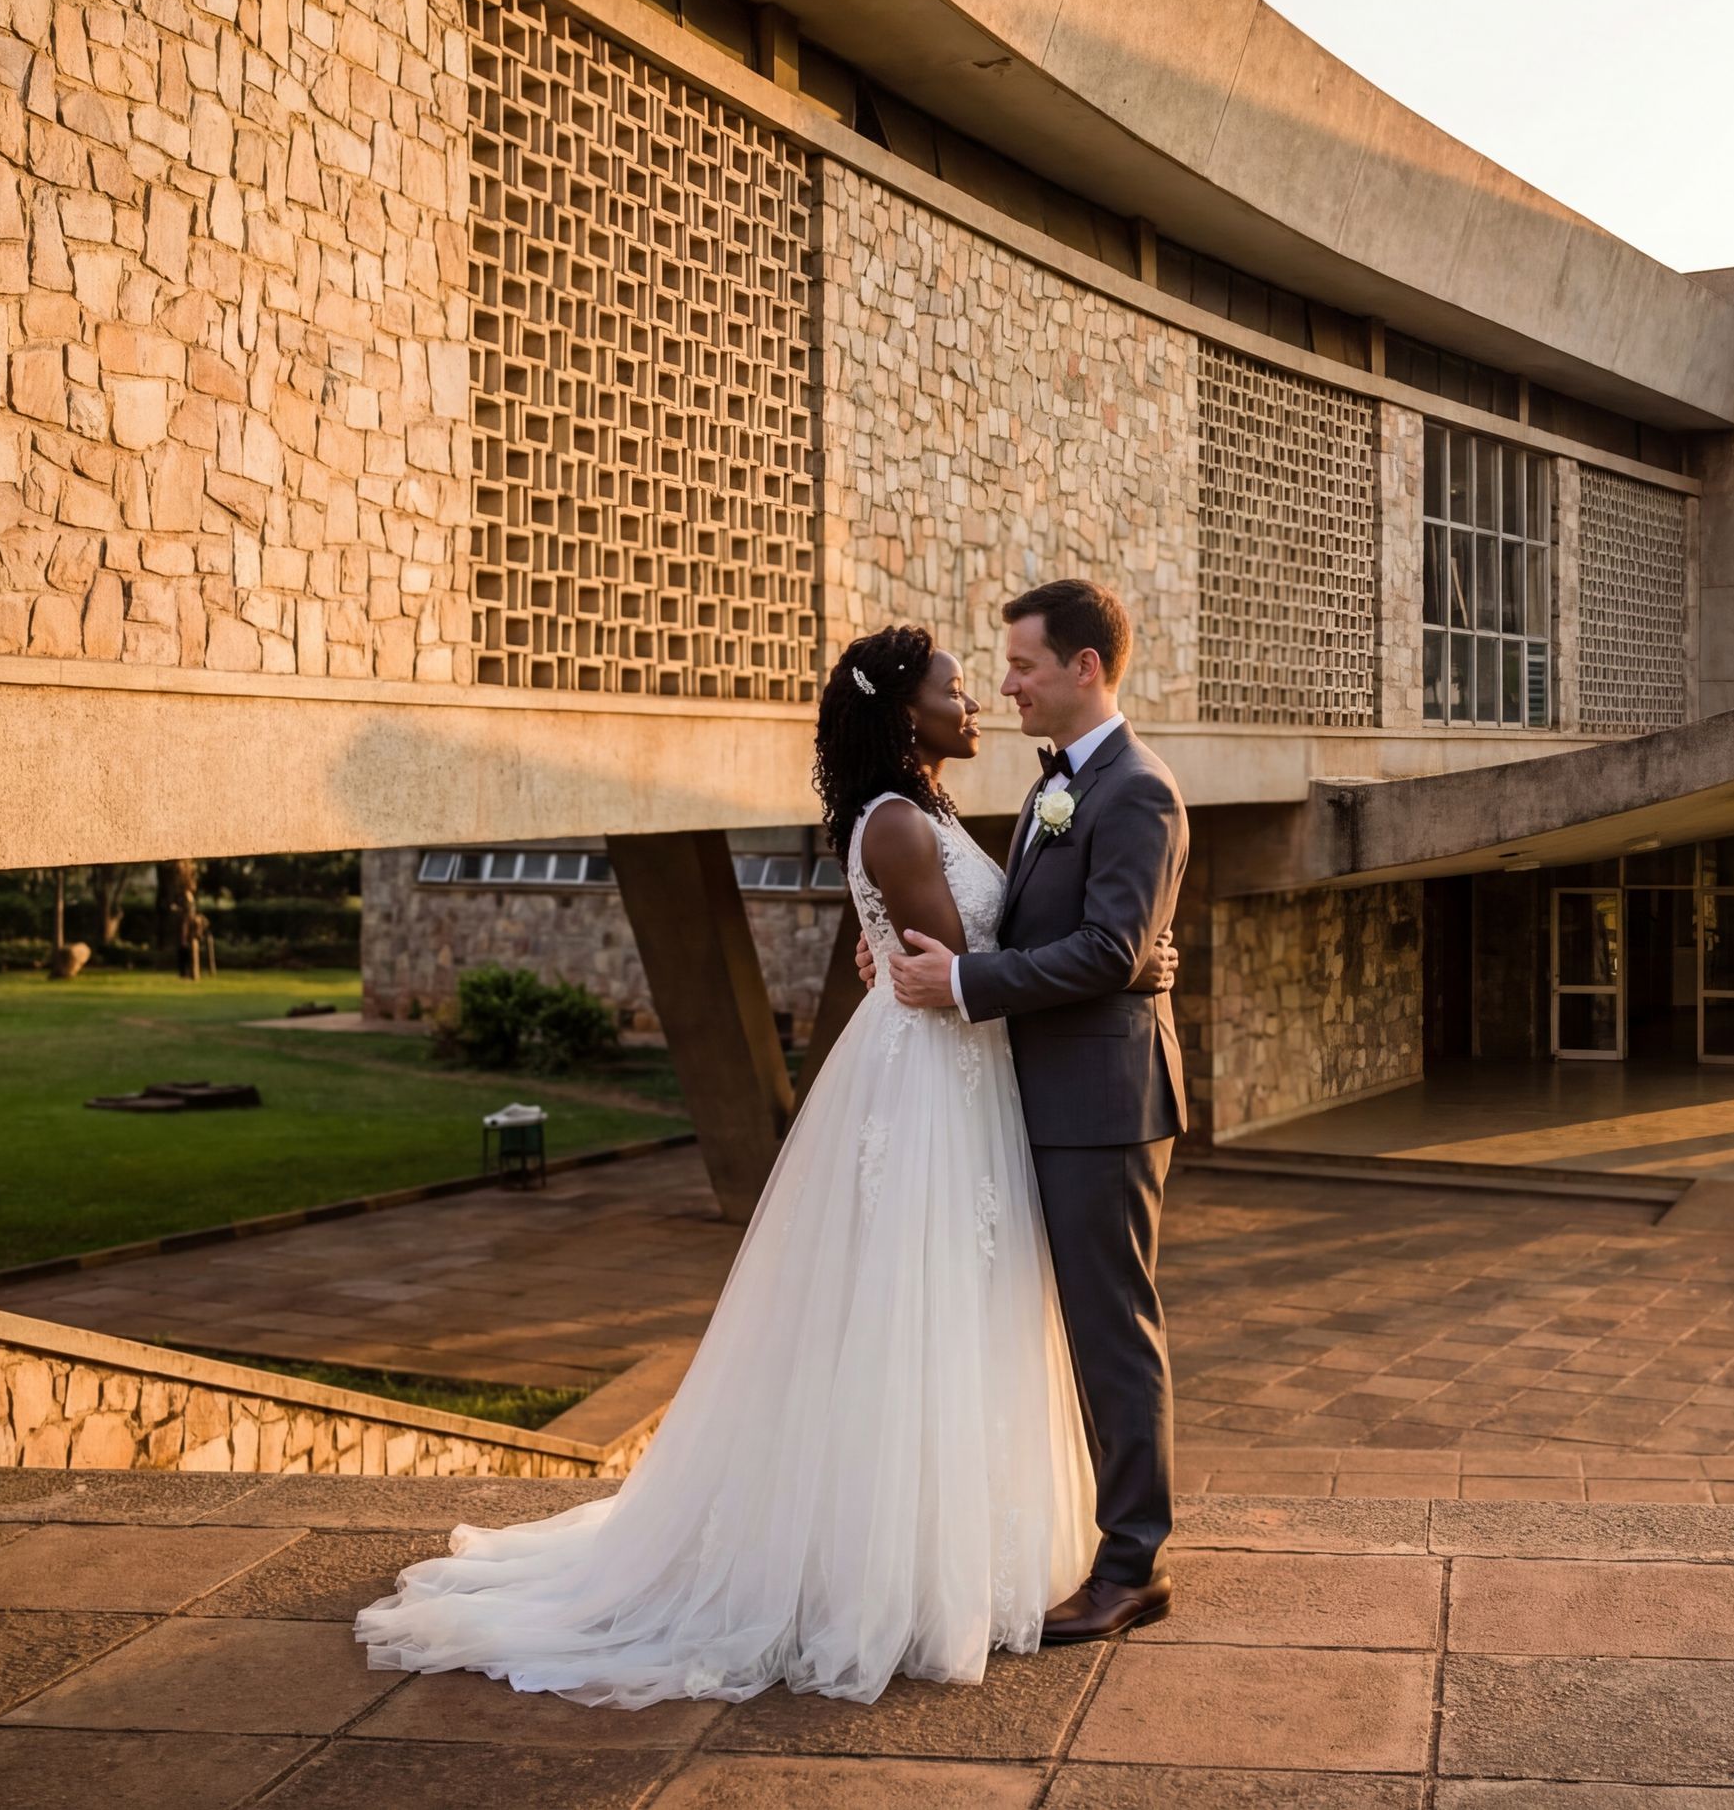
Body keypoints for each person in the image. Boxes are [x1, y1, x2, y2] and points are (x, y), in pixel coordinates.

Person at [355, 616, 1158, 1704]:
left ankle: (955, 1551)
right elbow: (964, 975)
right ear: (903, 711)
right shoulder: (904, 828)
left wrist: (1106, 962)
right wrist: (1125, 967)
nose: (977, 701)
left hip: (957, 1081)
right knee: (917, 1319)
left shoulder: (929, 810)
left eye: (996, 678)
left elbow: (980, 953)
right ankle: (901, 1568)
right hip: (936, 1088)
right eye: (959, 687)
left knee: (951, 1317)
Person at [872, 576, 1190, 1643]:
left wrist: (966, 987)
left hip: (1101, 1105)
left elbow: (1110, 947)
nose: (1005, 685)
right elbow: (1091, 941)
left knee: (1112, 1332)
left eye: (1021, 666)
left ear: (1083, 668)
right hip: (1047, 1092)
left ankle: (1133, 1563)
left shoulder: (1136, 790)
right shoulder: (1066, 787)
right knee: (1055, 1328)